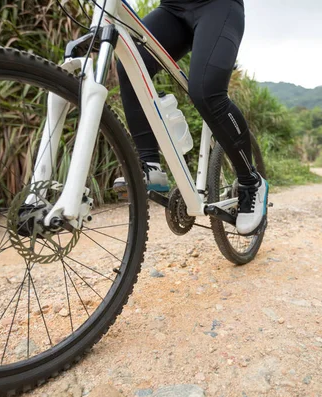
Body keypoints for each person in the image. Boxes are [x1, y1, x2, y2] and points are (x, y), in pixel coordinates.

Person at [114, 0, 268, 235]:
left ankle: (250, 181)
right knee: (129, 63)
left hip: (218, 6)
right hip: (172, 8)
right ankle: (150, 165)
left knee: (206, 92)